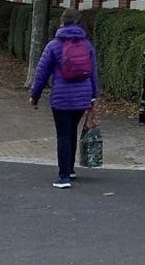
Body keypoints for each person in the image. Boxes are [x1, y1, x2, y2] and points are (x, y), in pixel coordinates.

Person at [28, 10, 98, 188]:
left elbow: (41, 73)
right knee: (71, 132)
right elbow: (93, 74)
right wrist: (93, 97)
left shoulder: (54, 45)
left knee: (63, 135)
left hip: (61, 98)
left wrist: (34, 96)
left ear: (62, 23)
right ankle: (71, 169)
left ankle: (64, 177)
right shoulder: (87, 45)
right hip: (82, 98)